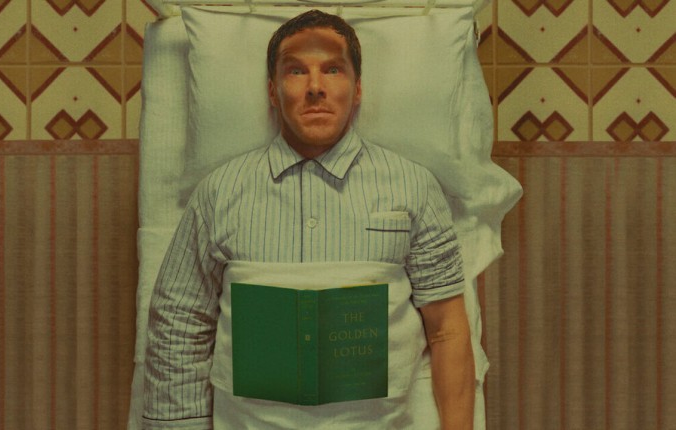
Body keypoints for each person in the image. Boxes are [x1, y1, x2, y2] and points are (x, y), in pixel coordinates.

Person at [143, 10, 474, 430]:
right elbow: (179, 326)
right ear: (273, 90)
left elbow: (447, 331)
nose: (316, 87)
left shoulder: (413, 187)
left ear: (357, 88)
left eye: (332, 70)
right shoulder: (219, 193)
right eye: (296, 71)